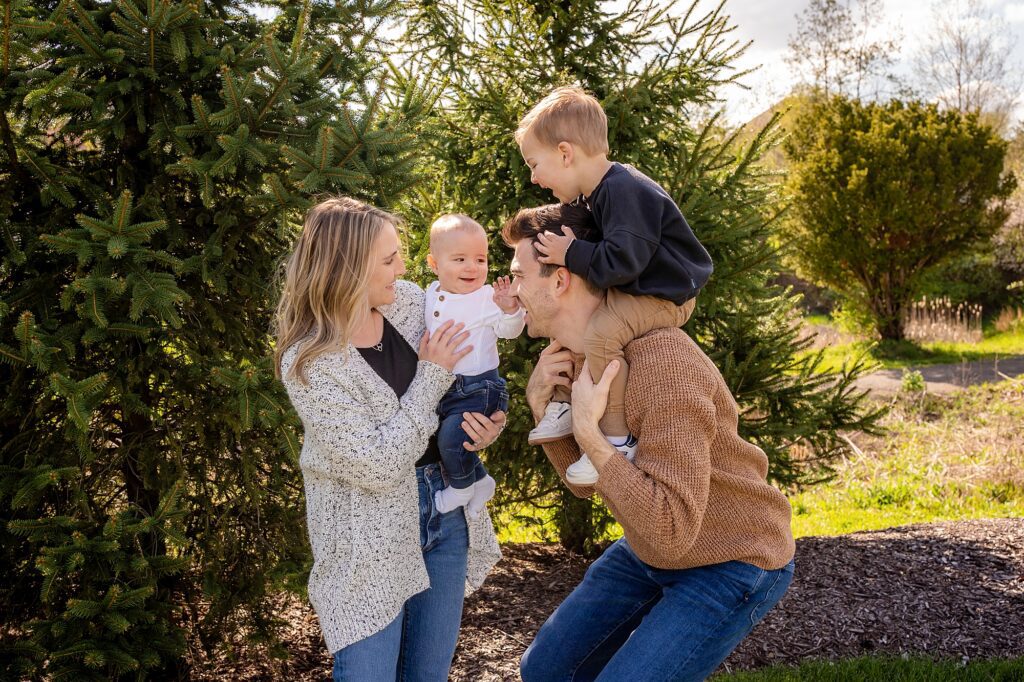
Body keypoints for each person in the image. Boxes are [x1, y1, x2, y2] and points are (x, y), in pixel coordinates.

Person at [502, 205, 795, 682]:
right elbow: (588, 485)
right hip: (650, 548)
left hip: (733, 560)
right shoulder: (572, 360)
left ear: (560, 281)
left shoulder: (663, 366)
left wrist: (592, 437)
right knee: (546, 670)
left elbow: (671, 527)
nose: (512, 291)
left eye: (519, 275)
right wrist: (546, 412)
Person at [274, 197, 503, 682]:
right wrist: (430, 377)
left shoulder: (409, 304)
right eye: (389, 259)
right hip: (366, 542)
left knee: (427, 676)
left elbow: (471, 366)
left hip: (444, 512)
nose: (403, 268)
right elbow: (376, 465)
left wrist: (483, 422)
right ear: (349, 267)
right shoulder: (311, 362)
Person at [515, 85, 714, 485]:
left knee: (602, 333)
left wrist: (570, 253)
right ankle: (567, 405)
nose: (534, 179)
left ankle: (616, 438)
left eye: (534, 164)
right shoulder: (595, 193)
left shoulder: (623, 190)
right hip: (640, 286)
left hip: (665, 294)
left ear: (566, 153)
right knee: (583, 328)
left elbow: (623, 261)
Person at [425, 214, 525, 515]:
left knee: (452, 440)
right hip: (448, 389)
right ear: (434, 264)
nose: (472, 267)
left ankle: (460, 487)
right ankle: (481, 482)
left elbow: (510, 331)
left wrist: (510, 310)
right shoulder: (431, 294)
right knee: (454, 437)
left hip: (478, 387)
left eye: (480, 260)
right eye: (460, 259)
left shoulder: (486, 297)